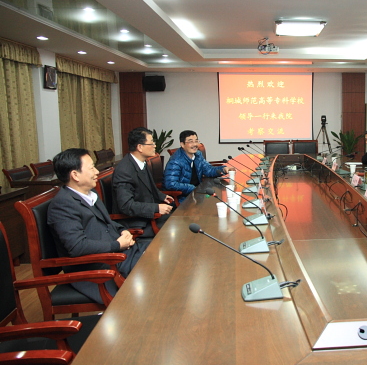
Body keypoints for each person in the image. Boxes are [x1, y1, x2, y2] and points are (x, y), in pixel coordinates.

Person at [47, 148, 150, 304]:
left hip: (122, 256)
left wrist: (123, 231)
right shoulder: (62, 205)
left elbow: (108, 222)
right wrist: (117, 245)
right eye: (91, 168)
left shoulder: (90, 194)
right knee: (158, 273)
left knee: (163, 254)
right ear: (75, 175)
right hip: (100, 268)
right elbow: (77, 246)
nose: (97, 172)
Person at [112, 127, 173, 236]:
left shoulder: (141, 162)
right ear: (140, 147)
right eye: (151, 143)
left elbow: (149, 187)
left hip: (149, 217)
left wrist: (162, 196)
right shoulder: (124, 170)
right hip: (136, 223)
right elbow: (126, 205)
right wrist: (156, 208)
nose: (155, 146)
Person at [164, 130, 234, 202]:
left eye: (196, 141)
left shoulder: (197, 155)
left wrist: (224, 169)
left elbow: (208, 170)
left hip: (198, 193)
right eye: (191, 142)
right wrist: (192, 188)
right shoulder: (176, 161)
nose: (195, 144)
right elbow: (171, 184)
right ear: (182, 144)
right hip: (183, 198)